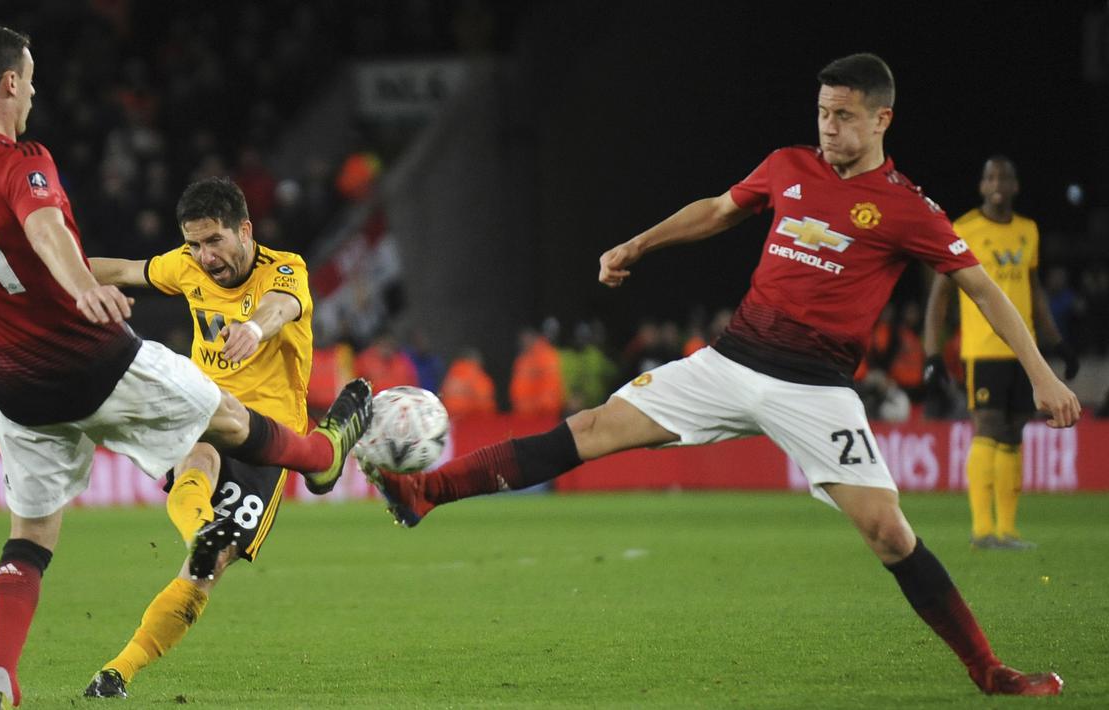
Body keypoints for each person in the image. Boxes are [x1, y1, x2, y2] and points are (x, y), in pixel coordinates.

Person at [361, 54, 1079, 696]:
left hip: (815, 391)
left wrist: (1041, 375)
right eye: (822, 113)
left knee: (890, 535)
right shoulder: (789, 166)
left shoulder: (906, 208)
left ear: (881, 119)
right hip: (729, 362)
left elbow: (984, 290)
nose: (828, 128)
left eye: (843, 116)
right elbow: (717, 210)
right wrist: (637, 245)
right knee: (590, 427)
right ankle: (426, 491)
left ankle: (989, 671)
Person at [0, 25, 371, 710]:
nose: (34, 92)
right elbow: (47, 229)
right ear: (9, 84)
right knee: (223, 418)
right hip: (88, 357)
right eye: (29, 79)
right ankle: (321, 457)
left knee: (30, 538)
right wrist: (79, 289)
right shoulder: (21, 162)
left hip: (14, 385)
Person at [79, 176, 320, 698]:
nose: (205, 257)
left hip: (269, 437)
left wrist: (252, 329)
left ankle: (121, 667)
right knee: (198, 456)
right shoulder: (186, 266)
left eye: (214, 241)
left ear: (244, 231)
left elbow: (280, 308)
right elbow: (122, 270)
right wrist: (39, 271)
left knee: (204, 574)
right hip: (205, 409)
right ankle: (199, 532)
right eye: (194, 244)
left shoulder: (285, 269)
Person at [922, 156, 1079, 550]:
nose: (997, 184)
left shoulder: (1028, 231)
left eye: (1004, 177)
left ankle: (1007, 531)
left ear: (1015, 186)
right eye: (990, 177)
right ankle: (981, 530)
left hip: (1023, 352)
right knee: (988, 427)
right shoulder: (965, 229)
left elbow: (1034, 292)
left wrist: (1056, 342)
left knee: (1013, 433)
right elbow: (941, 294)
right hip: (983, 348)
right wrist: (932, 352)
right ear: (981, 186)